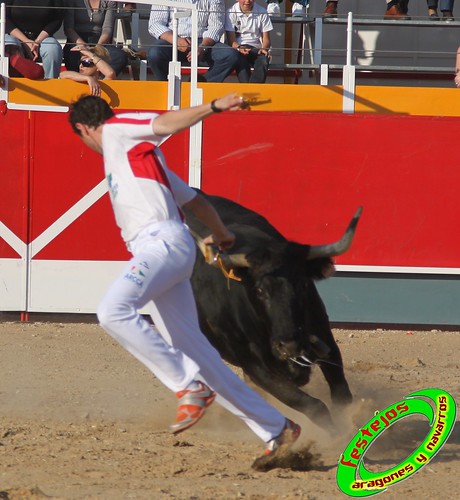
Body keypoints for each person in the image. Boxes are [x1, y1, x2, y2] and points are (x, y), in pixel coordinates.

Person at [68, 92, 302, 465]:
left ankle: (186, 385)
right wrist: (221, 232)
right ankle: (277, 429)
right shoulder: (144, 160)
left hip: (159, 245)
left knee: (113, 311)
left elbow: (164, 123)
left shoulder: (115, 132)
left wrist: (214, 107)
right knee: (200, 354)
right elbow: (194, 201)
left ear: (82, 128)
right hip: (172, 247)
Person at [147, 0, 240, 82]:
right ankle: (167, 87)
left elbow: (216, 27)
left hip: (203, 41)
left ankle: (202, 84)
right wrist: (176, 40)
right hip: (171, 40)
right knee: (155, 53)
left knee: (230, 56)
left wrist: (202, 48)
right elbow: (155, 24)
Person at [63, 0, 128, 76]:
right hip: (77, 39)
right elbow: (69, 28)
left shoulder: (109, 1)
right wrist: (83, 46)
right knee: (73, 56)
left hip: (100, 40)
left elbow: (107, 29)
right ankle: (79, 82)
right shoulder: (72, 1)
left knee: (120, 57)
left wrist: (98, 47)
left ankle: (101, 82)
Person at [5, 0, 64, 79]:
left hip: (42, 37)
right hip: (15, 36)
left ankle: (50, 84)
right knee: (10, 44)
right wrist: (26, 40)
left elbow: (57, 20)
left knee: (52, 48)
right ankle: (13, 83)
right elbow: (5, 19)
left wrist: (37, 41)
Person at [225, 0, 273, 83]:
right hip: (238, 48)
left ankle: (251, 89)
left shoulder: (262, 12)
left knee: (263, 60)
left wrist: (264, 48)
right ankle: (251, 90)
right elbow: (231, 41)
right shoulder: (230, 12)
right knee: (240, 60)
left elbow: (266, 39)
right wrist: (239, 48)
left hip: (256, 48)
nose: (247, 1)